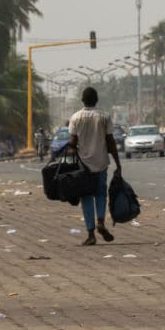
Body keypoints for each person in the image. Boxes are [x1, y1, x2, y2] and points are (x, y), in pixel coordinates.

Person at [67, 87, 122, 247]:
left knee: (86, 197)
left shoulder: (76, 117)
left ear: (82, 100)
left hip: (83, 166)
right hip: (101, 163)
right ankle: (100, 222)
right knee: (100, 194)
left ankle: (91, 234)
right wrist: (118, 163)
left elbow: (72, 143)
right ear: (96, 100)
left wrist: (68, 163)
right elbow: (111, 142)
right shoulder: (104, 116)